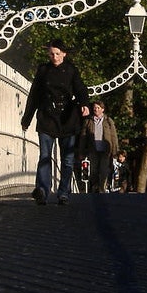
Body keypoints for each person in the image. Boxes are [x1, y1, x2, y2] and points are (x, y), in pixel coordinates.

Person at [21, 39, 90, 205]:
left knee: (67, 159)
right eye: (51, 54)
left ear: (64, 54)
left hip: (67, 118)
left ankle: (64, 192)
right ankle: (43, 191)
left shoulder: (71, 70)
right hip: (47, 117)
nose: (54, 57)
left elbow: (80, 89)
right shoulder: (43, 70)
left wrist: (85, 104)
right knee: (45, 156)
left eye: (58, 54)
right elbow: (34, 95)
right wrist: (27, 118)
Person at [78, 100, 119, 193]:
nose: (96, 109)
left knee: (104, 170)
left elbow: (114, 136)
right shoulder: (88, 121)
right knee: (94, 170)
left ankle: (102, 188)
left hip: (105, 150)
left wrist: (115, 151)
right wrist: (81, 151)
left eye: (98, 108)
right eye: (95, 108)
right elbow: (83, 137)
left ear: (102, 109)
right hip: (93, 149)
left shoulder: (108, 121)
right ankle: (95, 186)